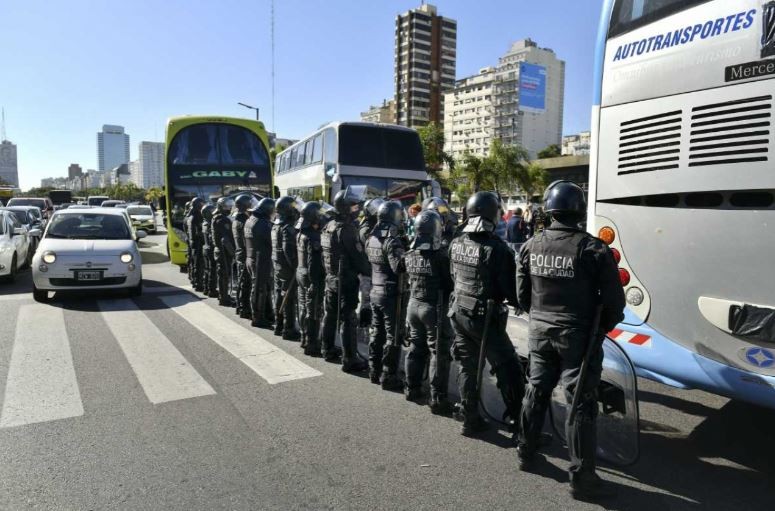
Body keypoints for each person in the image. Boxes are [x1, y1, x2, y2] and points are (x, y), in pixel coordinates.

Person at [516, 181, 625, 500]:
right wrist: (599, 330)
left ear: (549, 209)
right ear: (578, 209)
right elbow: (615, 304)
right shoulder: (593, 249)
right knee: (580, 402)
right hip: (578, 335)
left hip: (540, 331)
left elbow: (522, 296)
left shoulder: (530, 244)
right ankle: (582, 477)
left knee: (536, 388)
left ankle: (526, 451)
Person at [448, 191, 525, 437]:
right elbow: (511, 291)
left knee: (468, 368)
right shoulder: (497, 249)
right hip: (484, 317)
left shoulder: (456, 242)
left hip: (458, 312)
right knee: (509, 368)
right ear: (493, 215)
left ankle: (469, 419)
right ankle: (519, 423)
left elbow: (454, 276)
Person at [403, 210, 454, 413]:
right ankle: (437, 398)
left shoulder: (409, 253)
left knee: (416, 347)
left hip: (413, 306)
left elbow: (399, 267)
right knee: (438, 352)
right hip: (434, 308)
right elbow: (451, 283)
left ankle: (412, 388)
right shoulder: (441, 255)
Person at [320, 187, 371, 372]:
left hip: (331, 277)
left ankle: (327, 349)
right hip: (345, 280)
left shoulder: (329, 225)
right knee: (348, 319)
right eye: (354, 205)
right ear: (346, 207)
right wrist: (371, 271)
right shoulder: (347, 229)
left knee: (330, 315)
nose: (357, 208)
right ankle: (350, 359)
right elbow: (358, 259)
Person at [366, 200, 408, 391]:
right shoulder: (391, 240)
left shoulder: (371, 237)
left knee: (377, 332)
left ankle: (373, 370)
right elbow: (398, 267)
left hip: (375, 291)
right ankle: (389, 375)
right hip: (391, 295)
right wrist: (409, 254)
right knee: (393, 336)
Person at [296, 201, 326, 356]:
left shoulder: (301, 232)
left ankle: (303, 337)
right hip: (311, 277)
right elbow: (314, 263)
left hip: (301, 273)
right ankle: (311, 344)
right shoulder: (313, 237)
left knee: (303, 306)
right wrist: (315, 282)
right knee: (313, 311)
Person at [272, 196, 302, 341]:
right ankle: (288, 329)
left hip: (278, 265)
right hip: (287, 268)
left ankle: (278, 325)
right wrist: (296, 266)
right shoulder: (287, 227)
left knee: (280, 294)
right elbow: (288, 251)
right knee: (289, 298)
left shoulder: (276, 225)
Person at [245, 198, 275, 329]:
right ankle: (258, 317)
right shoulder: (263, 223)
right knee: (259, 290)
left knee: (261, 288)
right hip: (260, 260)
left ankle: (266, 314)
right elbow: (272, 241)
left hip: (251, 257)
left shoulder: (250, 220)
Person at [357, 198, 384, 334]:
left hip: (373, 270)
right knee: (367, 301)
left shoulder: (375, 225)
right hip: (367, 270)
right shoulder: (366, 228)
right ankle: (363, 328)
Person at [232, 194, 255, 319]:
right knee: (245, 283)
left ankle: (240, 307)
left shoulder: (238, 219)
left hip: (241, 254)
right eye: (250, 204)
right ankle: (244, 309)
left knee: (242, 282)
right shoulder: (242, 221)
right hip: (244, 254)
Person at [212, 197, 236, 307]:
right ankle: (224, 298)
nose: (229, 208)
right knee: (224, 275)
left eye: (230, 206)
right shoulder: (223, 220)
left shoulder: (216, 217)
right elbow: (226, 240)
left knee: (222, 274)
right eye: (227, 206)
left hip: (219, 250)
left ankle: (223, 295)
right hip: (223, 251)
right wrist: (233, 253)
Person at [185, 198, 205, 292]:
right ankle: (198, 284)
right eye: (201, 204)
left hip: (193, 242)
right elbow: (198, 232)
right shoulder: (196, 216)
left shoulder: (189, 216)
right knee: (198, 264)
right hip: (197, 242)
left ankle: (195, 281)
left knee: (194, 263)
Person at [201, 204, 218, 298]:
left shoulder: (204, 223)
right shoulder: (210, 224)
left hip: (205, 248)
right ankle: (212, 290)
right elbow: (212, 238)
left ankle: (206, 288)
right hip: (210, 249)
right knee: (212, 271)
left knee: (207, 270)